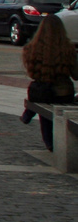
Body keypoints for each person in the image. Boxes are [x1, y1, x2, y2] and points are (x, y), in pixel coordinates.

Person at [20, 17, 76, 152]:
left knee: (43, 103)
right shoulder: (68, 49)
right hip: (63, 93)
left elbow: (31, 72)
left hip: (41, 92)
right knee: (49, 100)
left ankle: (48, 141)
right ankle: (30, 115)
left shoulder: (31, 48)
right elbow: (76, 75)